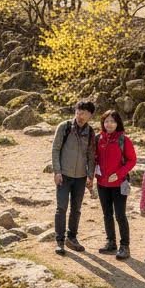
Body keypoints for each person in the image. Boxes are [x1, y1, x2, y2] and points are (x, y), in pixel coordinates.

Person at [51, 100, 96, 256]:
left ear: (90, 115)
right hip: (63, 175)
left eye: (83, 113)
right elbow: (55, 149)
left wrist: (91, 176)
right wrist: (57, 171)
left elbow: (91, 156)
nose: (80, 115)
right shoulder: (64, 127)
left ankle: (72, 238)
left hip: (81, 177)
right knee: (61, 208)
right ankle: (60, 241)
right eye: (78, 112)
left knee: (76, 210)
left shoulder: (90, 132)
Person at [94, 109, 137, 260]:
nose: (109, 124)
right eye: (106, 121)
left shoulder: (124, 140)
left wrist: (118, 174)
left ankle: (124, 246)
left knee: (120, 215)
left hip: (119, 184)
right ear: (103, 123)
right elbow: (93, 158)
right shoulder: (98, 138)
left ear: (117, 123)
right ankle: (111, 242)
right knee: (107, 214)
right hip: (102, 183)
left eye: (112, 121)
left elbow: (132, 160)